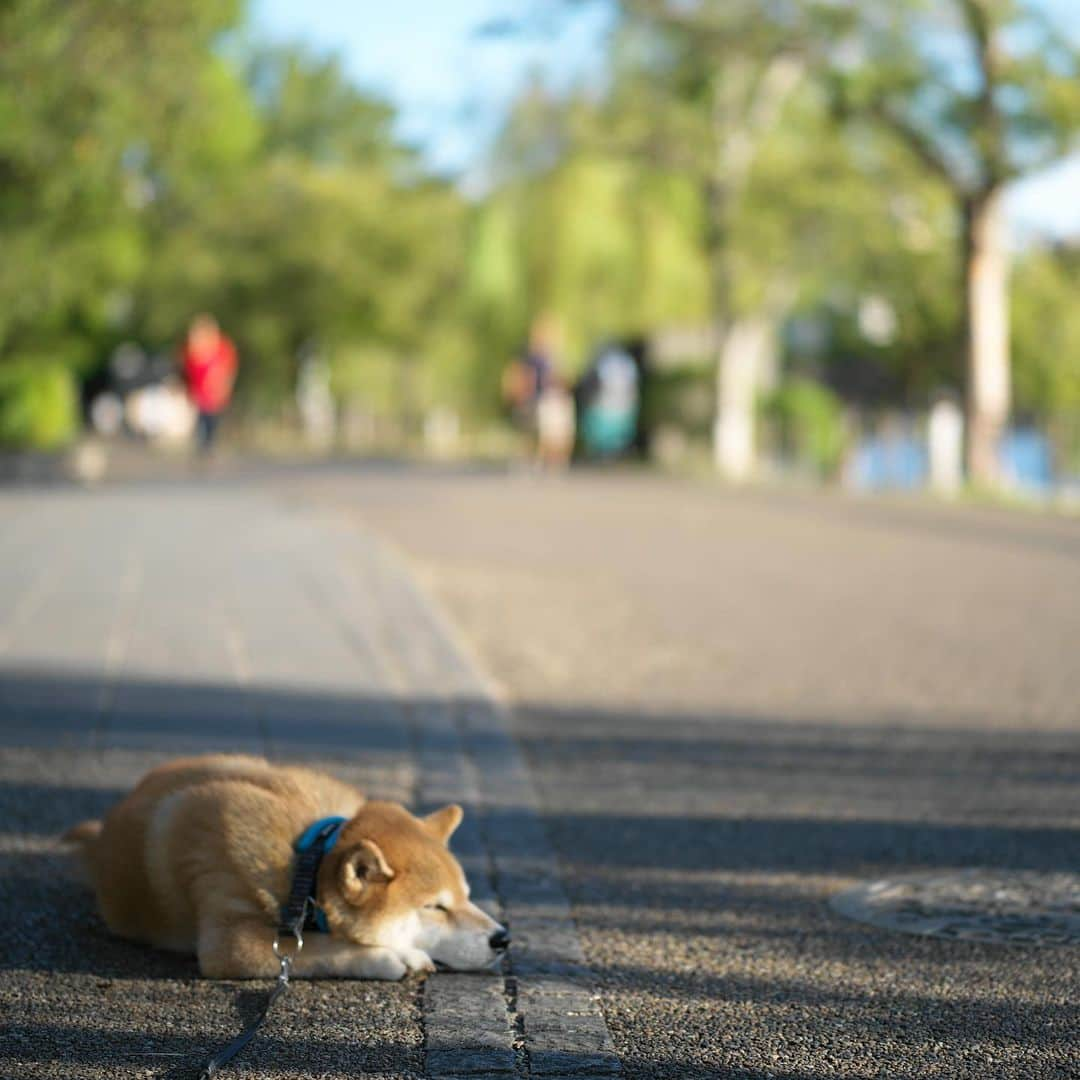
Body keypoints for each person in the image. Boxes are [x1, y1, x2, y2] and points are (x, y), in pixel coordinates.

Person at [181, 315, 237, 454]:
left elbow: (228, 369)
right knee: (201, 419)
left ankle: (208, 445)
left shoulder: (222, 348)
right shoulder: (192, 350)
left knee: (211, 420)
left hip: (215, 392)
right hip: (199, 393)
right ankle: (203, 445)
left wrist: (223, 385)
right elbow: (188, 372)